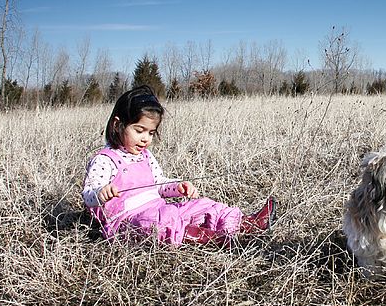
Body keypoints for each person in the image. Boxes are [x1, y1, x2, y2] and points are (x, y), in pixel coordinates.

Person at [82, 85, 275, 245]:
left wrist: (176, 187)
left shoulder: (146, 156)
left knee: (202, 206)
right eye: (139, 130)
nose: (145, 139)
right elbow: (88, 195)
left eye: (150, 133)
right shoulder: (105, 160)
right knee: (158, 224)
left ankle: (248, 224)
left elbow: (159, 184)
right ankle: (212, 239)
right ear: (118, 125)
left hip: (159, 208)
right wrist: (100, 194)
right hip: (127, 221)